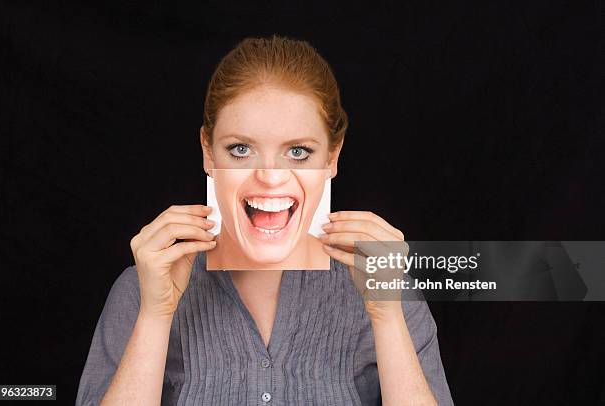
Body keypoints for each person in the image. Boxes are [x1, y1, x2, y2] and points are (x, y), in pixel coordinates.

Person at [77, 35, 453, 406]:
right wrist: (155, 315)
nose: (271, 176)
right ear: (208, 152)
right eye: (240, 150)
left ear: (332, 157)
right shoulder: (141, 288)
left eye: (299, 152)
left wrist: (386, 316)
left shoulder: (386, 285)